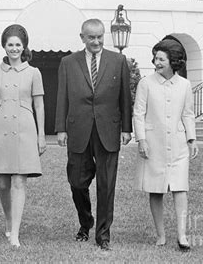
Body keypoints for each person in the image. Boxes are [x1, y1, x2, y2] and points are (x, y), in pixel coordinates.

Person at [55, 18, 132, 251]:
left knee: (107, 185)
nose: (96, 41)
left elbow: (125, 97)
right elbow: (62, 96)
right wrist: (61, 128)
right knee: (77, 182)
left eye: (100, 36)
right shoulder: (68, 63)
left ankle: (103, 234)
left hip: (108, 129)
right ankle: (86, 221)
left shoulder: (118, 61)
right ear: (82, 38)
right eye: (91, 37)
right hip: (78, 129)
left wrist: (127, 128)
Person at [0, 24, 46, 248]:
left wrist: (42, 136)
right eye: (10, 44)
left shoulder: (34, 73)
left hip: (25, 130)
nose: (14, 48)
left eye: (18, 44)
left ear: (24, 46)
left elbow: (40, 105)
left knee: (19, 181)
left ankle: (15, 233)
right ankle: (8, 221)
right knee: (2, 183)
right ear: (4, 46)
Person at [133, 38, 199, 251]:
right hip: (153, 144)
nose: (156, 62)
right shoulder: (146, 83)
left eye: (161, 59)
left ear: (173, 61)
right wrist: (141, 139)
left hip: (178, 145)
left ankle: (182, 235)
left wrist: (191, 139)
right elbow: (138, 114)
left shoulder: (185, 85)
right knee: (156, 189)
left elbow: (188, 114)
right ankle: (160, 234)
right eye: (155, 58)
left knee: (180, 188)